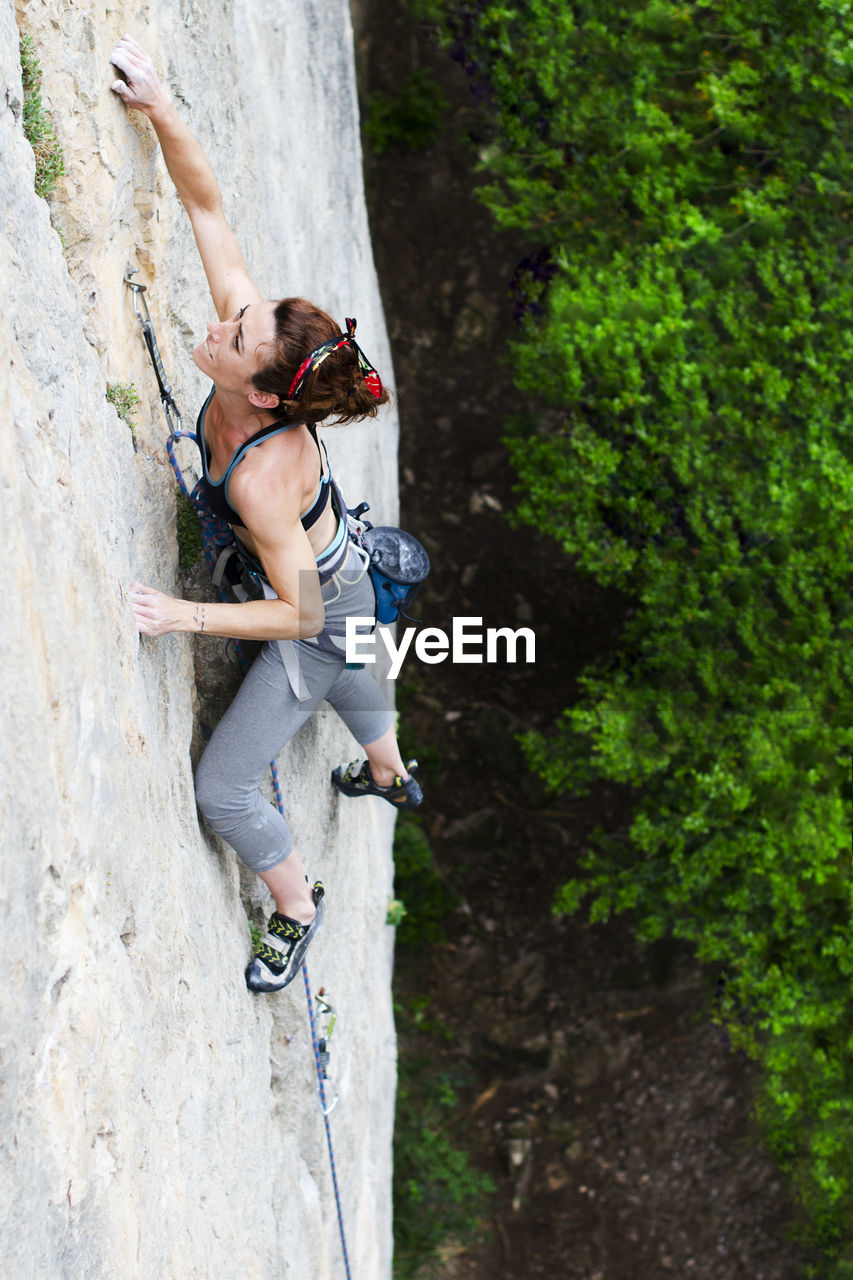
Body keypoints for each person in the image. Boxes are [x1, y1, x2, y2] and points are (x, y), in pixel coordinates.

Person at [110, 35, 422, 993]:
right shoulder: (257, 353)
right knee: (359, 657)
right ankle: (388, 773)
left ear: (272, 397)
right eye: (234, 321)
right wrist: (161, 107)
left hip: (317, 610)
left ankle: (294, 907)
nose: (217, 326)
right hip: (346, 575)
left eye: (232, 337)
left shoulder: (260, 476)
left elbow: (299, 621)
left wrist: (185, 618)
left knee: (226, 786)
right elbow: (208, 208)